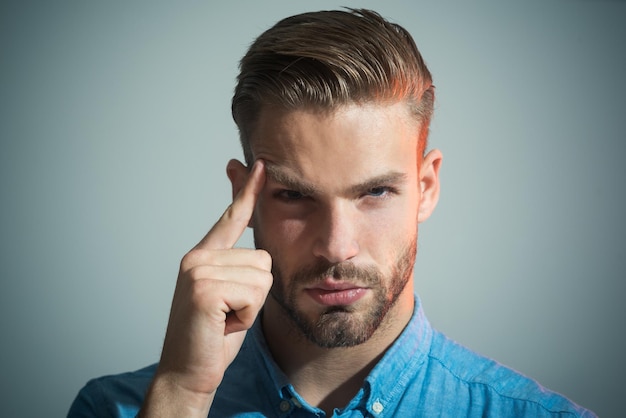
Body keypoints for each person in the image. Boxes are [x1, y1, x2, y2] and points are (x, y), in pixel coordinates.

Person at [68, 8, 596, 417]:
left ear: (427, 186)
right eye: (295, 196)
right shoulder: (121, 409)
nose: (337, 246)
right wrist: (182, 394)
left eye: (376, 194)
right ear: (243, 199)